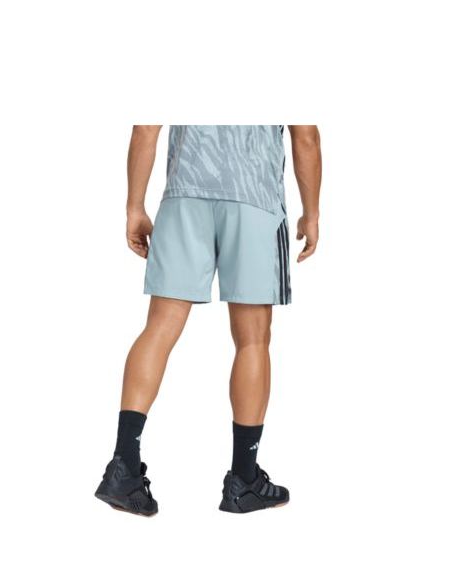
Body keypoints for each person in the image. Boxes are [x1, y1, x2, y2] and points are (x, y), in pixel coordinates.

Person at [95, 125, 322, 516]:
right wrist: (312, 213)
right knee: (253, 339)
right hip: (254, 196)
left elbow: (146, 129)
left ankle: (123, 467)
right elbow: (306, 137)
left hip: (184, 195)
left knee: (160, 327)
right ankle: (244, 481)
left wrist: (134, 206)